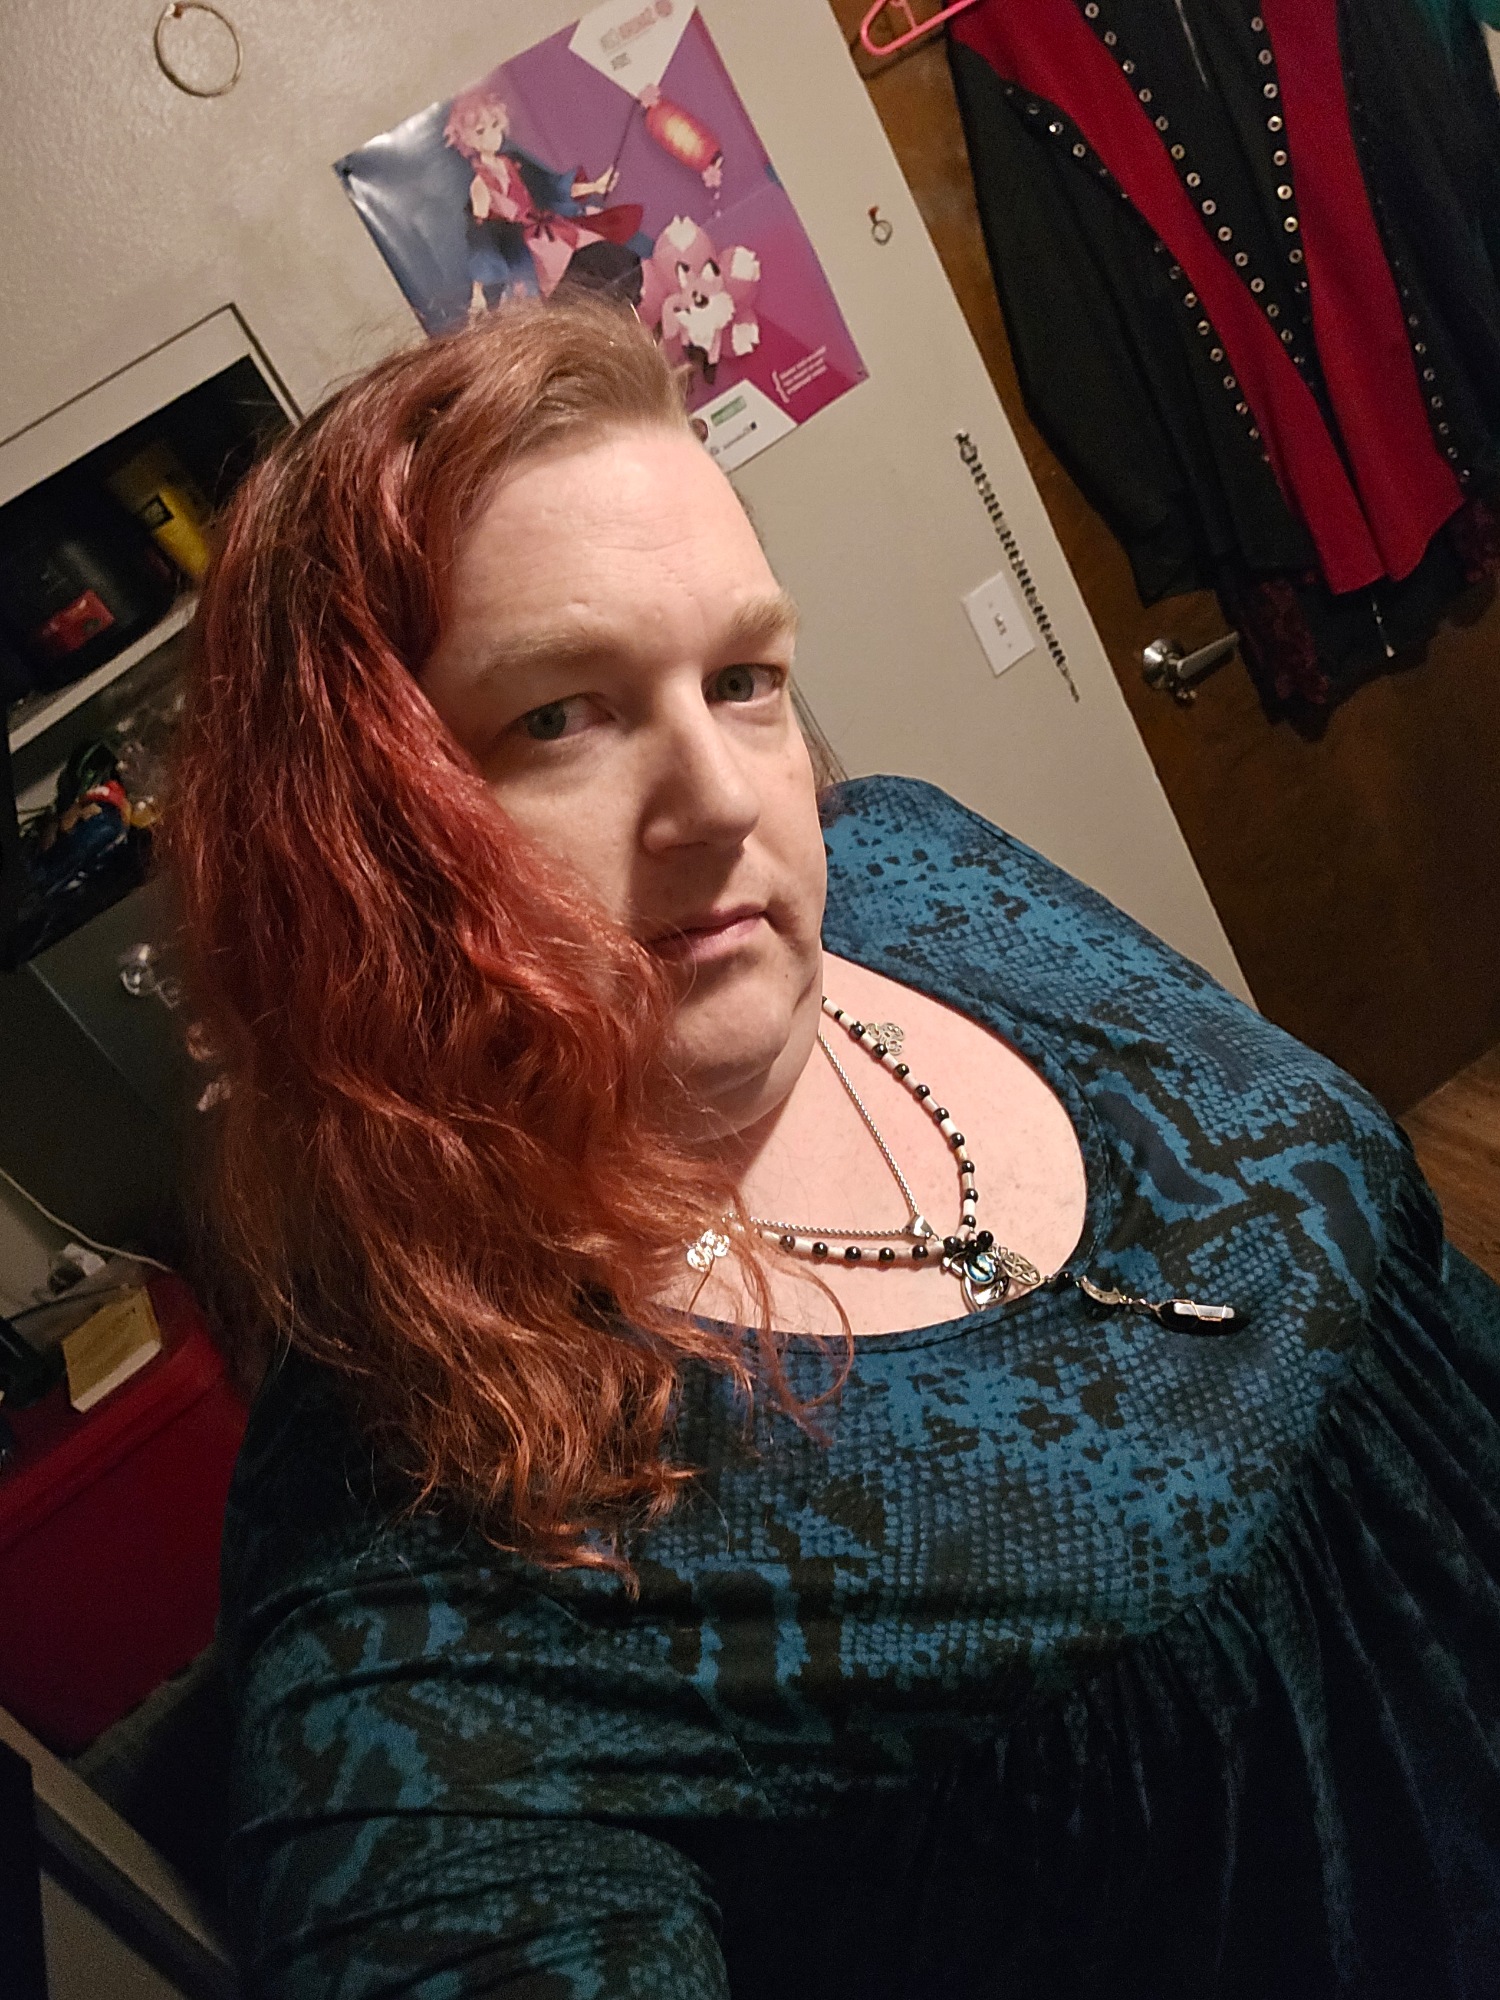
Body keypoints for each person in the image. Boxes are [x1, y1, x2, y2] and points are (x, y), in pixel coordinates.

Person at [168, 293, 1500, 1999]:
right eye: (555, 717)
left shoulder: (917, 861)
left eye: (743, 679)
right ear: (342, 853)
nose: (726, 796)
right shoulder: (424, 1599)